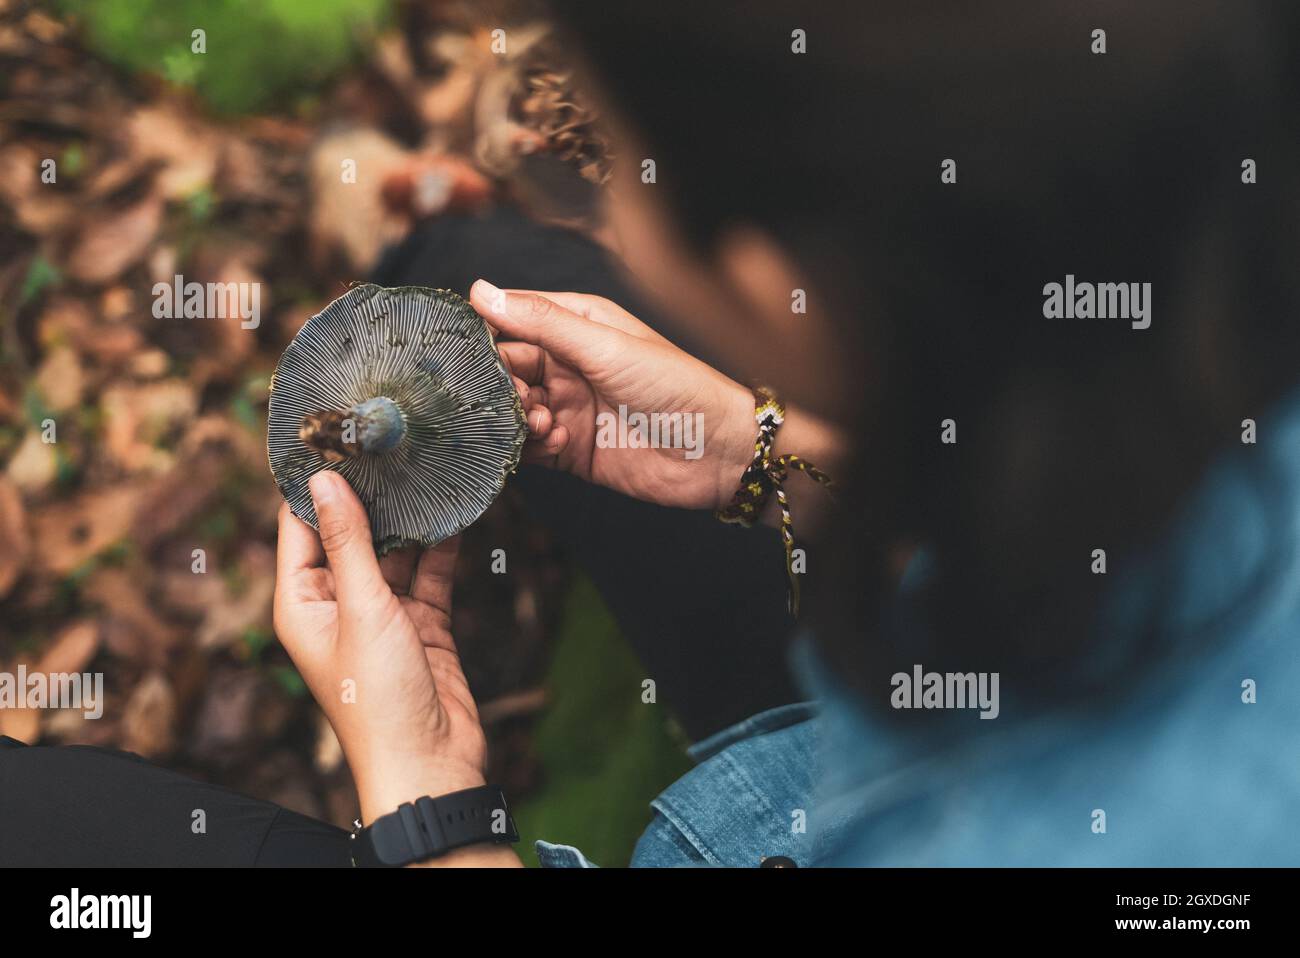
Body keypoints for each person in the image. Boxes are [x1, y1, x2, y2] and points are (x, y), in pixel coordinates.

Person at [5, 0, 1300, 867]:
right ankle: (411, 224)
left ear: (784, 265)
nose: (608, 222)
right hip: (867, 710)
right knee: (474, 261)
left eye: (613, 167)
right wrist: (775, 459)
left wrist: (436, 808)